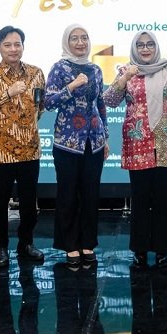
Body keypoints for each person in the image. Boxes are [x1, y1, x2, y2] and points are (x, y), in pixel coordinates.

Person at [103, 31, 167, 267]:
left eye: (150, 44)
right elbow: (109, 100)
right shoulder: (127, 70)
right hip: (137, 142)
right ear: (135, 48)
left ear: (156, 46)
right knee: (140, 199)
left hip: (166, 142)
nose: (145, 49)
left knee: (163, 198)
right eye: (140, 45)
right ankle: (140, 250)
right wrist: (124, 78)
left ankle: (162, 250)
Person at [0, 26, 45, 268]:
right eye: (7, 45)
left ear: (23, 46)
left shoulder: (36, 73)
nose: (13, 49)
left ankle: (26, 244)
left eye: (17, 44)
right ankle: (1, 248)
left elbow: (40, 107)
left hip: (29, 150)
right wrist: (8, 93)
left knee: (29, 203)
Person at [45, 24, 108, 266]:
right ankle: (70, 245)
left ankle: (87, 243)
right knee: (68, 194)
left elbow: (100, 103)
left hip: (94, 141)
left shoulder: (95, 69)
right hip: (67, 142)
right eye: (74, 38)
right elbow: (49, 102)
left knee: (91, 194)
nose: (80, 42)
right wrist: (71, 87)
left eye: (84, 38)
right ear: (67, 42)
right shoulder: (59, 68)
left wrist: (105, 138)